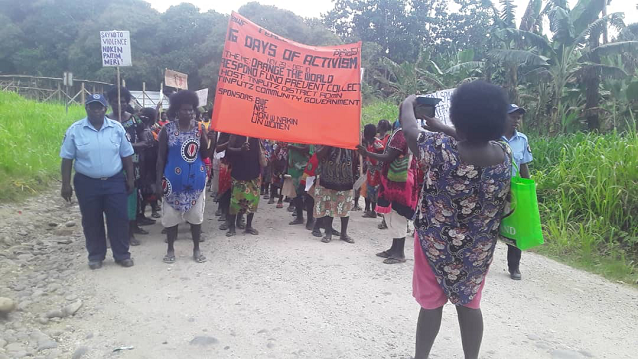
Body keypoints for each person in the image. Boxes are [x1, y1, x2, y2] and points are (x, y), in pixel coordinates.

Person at [400, 81, 512, 359]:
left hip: (432, 244)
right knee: (470, 304)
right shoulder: (504, 154)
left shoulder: (440, 149)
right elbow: (475, 138)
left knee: (430, 305)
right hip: (478, 249)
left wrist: (407, 104)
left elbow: (411, 131)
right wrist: (444, 127)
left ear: (459, 116)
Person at [60, 94, 135, 269]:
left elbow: (127, 155)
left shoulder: (116, 128)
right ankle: (95, 256)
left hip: (114, 180)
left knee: (119, 218)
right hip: (87, 182)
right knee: (91, 219)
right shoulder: (75, 130)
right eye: (92, 107)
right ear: (86, 108)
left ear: (105, 108)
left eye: (99, 107)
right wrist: (65, 184)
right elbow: (66, 159)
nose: (96, 110)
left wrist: (130, 179)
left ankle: (122, 254)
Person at [156, 91, 213, 263]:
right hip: (171, 183)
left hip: (195, 182)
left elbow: (205, 154)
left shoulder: (199, 129)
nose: (188, 113)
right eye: (184, 110)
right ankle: (170, 250)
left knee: (196, 218)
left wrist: (211, 140)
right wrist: (158, 182)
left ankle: (196, 249)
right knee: (171, 218)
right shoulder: (167, 130)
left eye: (191, 110)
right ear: (176, 111)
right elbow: (160, 157)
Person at [358, 120, 418, 264]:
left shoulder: (401, 134)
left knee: (397, 216)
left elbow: (389, 157)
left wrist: (367, 153)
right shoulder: (408, 133)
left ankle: (399, 253)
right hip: (399, 180)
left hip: (398, 183)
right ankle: (394, 249)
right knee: (393, 215)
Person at [106, 87, 151, 246]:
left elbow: (146, 141)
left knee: (131, 199)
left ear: (127, 103)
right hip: (110, 166)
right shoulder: (105, 121)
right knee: (110, 200)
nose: (119, 104)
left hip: (132, 165)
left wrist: (128, 145)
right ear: (110, 102)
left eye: (123, 101)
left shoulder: (134, 120)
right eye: (115, 101)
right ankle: (111, 235)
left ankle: (130, 233)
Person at [501, 104, 533, 280]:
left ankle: (514, 267)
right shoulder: (492, 137)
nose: (516, 120)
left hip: (514, 191)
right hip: (495, 188)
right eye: (512, 116)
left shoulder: (522, 139)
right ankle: (482, 262)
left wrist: (528, 190)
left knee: (516, 228)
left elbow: (523, 166)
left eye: (518, 117)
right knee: (489, 226)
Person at [313, 146, 355, 244]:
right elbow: (318, 155)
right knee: (328, 205)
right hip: (328, 177)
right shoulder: (325, 137)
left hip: (346, 177)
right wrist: (330, 143)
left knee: (345, 205)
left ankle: (344, 234)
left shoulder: (349, 136)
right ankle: (328, 232)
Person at [225, 135, 261, 237]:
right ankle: (232, 226)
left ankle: (248, 226)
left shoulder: (257, 135)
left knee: (253, 200)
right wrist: (240, 149)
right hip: (238, 172)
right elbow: (228, 149)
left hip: (254, 172)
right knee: (235, 201)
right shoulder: (236, 133)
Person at [138, 107, 161, 219]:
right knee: (146, 189)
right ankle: (143, 213)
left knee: (149, 189)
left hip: (149, 163)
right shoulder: (146, 131)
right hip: (146, 164)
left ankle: (149, 210)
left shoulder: (150, 131)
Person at [361, 124, 385, 218]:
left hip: (376, 171)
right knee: (369, 190)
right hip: (370, 169)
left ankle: (373, 211)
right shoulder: (370, 142)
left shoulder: (376, 142)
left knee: (374, 190)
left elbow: (382, 154)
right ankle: (370, 210)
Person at [288, 144, 314, 226]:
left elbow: (307, 149)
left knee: (308, 195)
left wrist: (293, 147)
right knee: (296, 195)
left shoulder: (306, 135)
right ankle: (299, 217)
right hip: (293, 169)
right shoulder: (292, 136)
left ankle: (310, 220)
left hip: (305, 169)